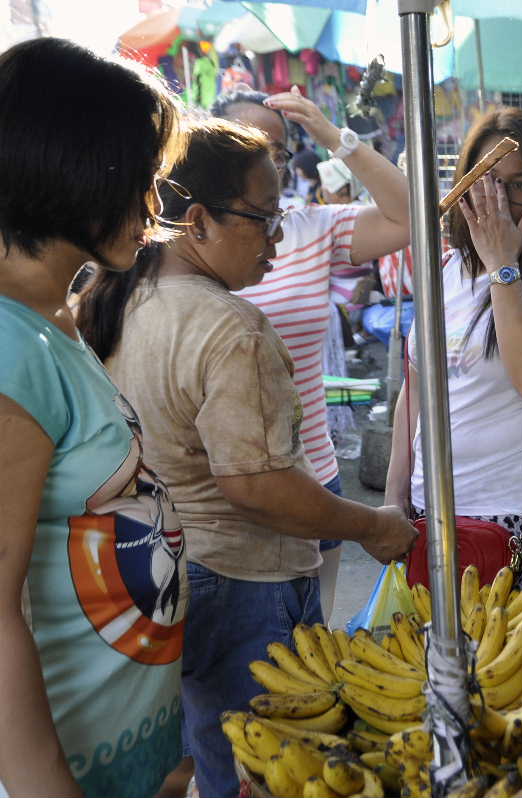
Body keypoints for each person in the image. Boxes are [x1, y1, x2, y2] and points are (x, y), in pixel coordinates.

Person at [75, 118, 416, 798]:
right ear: (196, 221)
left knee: (212, 758)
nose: (278, 238)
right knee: (271, 776)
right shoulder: (228, 326)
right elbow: (256, 485)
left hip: (163, 572)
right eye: (262, 219)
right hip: (241, 585)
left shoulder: (123, 296)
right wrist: (372, 526)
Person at [0, 38, 185, 797]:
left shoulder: (53, 318)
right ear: (71, 167)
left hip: (122, 755)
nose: (154, 205)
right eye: (141, 180)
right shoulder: (11, 345)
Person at [212, 87, 412, 619]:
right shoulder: (191, 241)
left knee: (311, 638)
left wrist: (332, 135)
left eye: (278, 152)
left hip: (312, 473)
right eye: (251, 147)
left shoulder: (309, 230)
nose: (267, 164)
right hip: (217, 486)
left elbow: (411, 216)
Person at [384, 108, 522, 585]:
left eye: (518, 185)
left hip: (516, 516)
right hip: (428, 506)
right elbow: (416, 390)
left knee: (509, 658)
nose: (497, 199)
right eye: (485, 180)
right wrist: (394, 494)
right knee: (428, 655)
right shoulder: (444, 273)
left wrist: (502, 263)